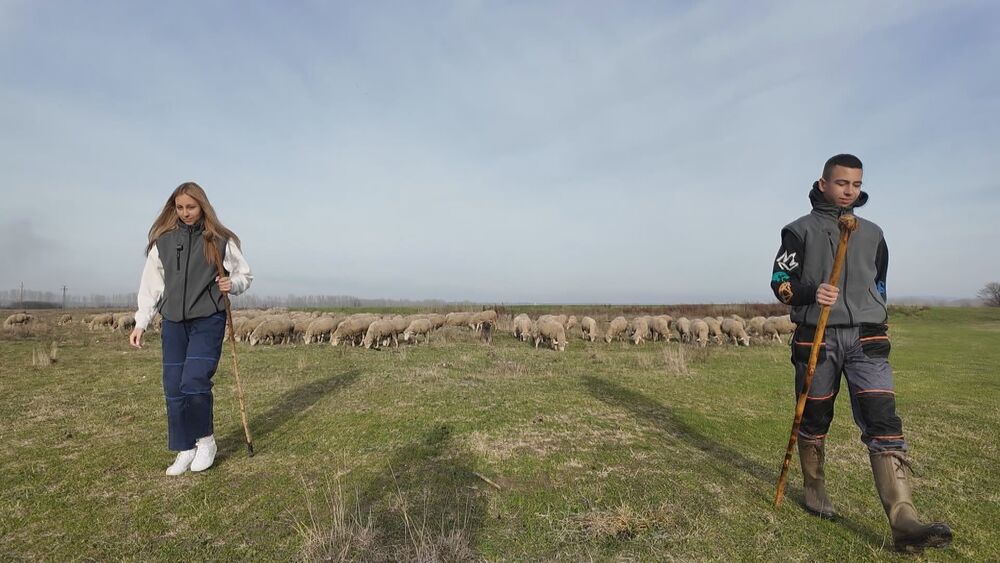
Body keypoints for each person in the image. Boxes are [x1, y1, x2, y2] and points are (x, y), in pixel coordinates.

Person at [770, 154, 951, 552]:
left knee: (883, 419)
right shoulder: (797, 231)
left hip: (867, 339)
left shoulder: (873, 233)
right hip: (817, 335)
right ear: (823, 184)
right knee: (814, 416)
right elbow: (779, 281)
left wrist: (877, 315)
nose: (849, 190)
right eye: (841, 183)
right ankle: (815, 490)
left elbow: (880, 284)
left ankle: (904, 520)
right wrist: (810, 292)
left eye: (855, 184)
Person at [130, 182, 253, 476]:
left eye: (191, 207)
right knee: (173, 385)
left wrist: (231, 284)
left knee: (194, 379)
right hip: (173, 321)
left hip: (208, 317)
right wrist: (141, 322)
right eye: (180, 207)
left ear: (202, 206)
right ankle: (185, 448)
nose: (185, 213)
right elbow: (152, 285)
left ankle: (206, 441)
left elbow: (244, 275)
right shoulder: (164, 242)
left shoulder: (219, 240)